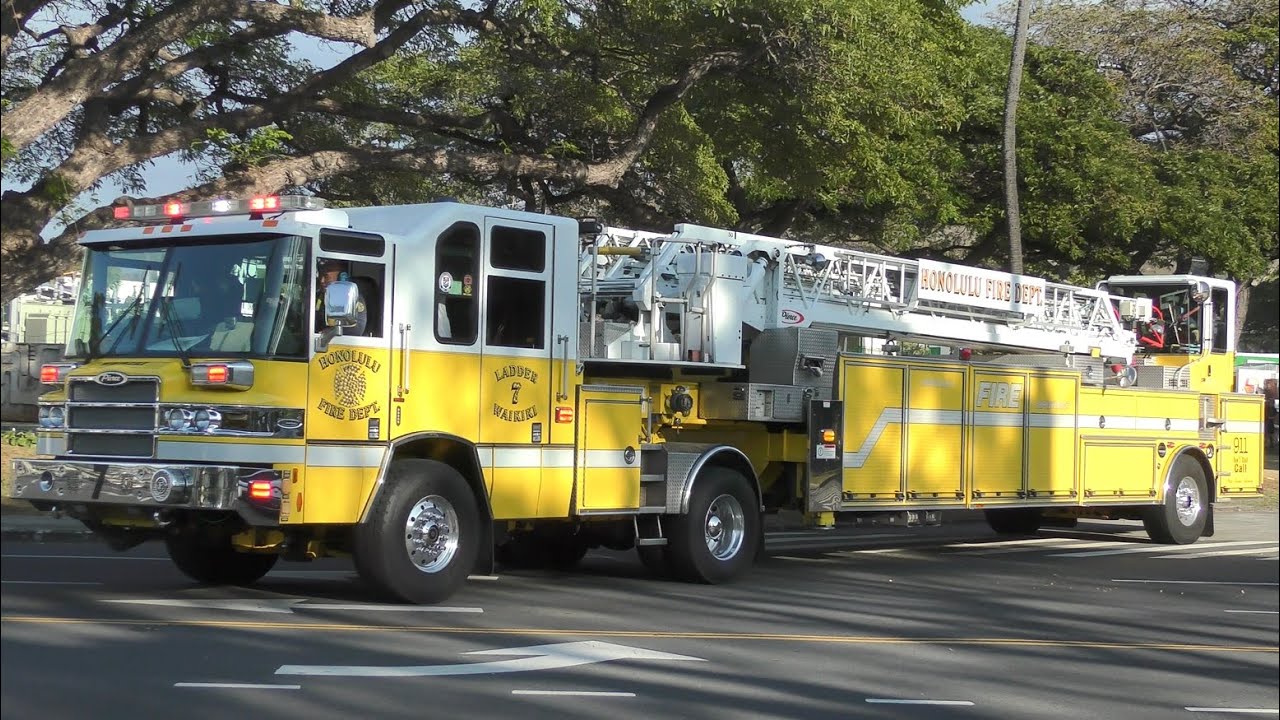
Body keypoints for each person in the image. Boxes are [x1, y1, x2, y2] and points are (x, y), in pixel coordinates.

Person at [315, 258, 367, 336]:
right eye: (320, 276)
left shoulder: (352, 297)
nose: (322, 280)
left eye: (326, 276)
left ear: (341, 277)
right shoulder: (320, 296)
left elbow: (356, 329)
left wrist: (330, 332)